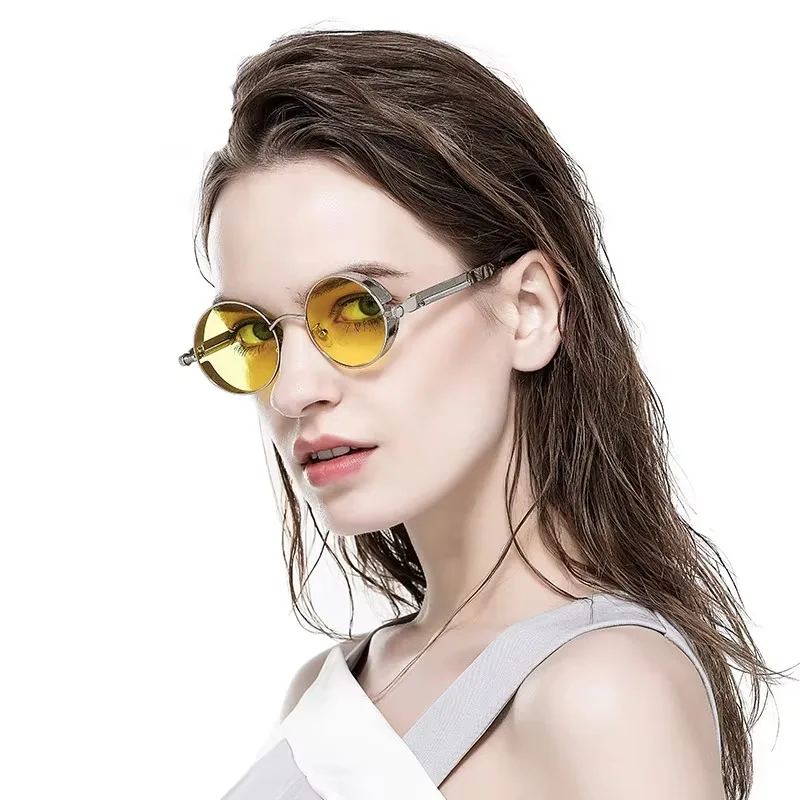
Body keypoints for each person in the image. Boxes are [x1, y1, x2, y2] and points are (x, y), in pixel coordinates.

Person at [178, 28, 793, 800]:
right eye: (253, 337)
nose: (293, 390)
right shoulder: (327, 690)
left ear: (528, 309)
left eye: (358, 311)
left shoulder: (606, 693)